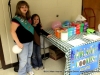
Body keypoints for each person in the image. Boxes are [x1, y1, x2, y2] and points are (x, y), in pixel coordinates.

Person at [10, 1, 34, 75]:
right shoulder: (16, 19)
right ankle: (21, 73)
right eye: (22, 7)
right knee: (23, 59)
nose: (24, 8)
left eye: (26, 7)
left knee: (29, 56)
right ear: (19, 8)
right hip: (22, 43)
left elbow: (29, 28)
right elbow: (12, 31)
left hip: (30, 41)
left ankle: (29, 69)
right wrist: (18, 43)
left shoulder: (28, 18)